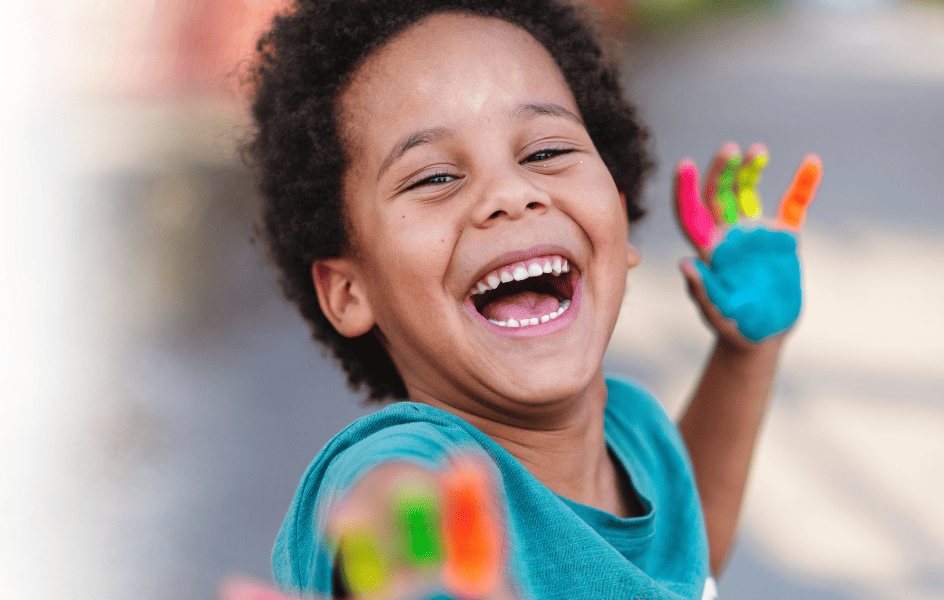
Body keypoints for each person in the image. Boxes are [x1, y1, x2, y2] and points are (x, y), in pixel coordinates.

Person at [225, 0, 822, 598]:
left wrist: (748, 355)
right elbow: (398, 516)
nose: (512, 192)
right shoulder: (407, 463)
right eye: (434, 177)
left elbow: (687, 558)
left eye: (545, 152)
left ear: (617, 211)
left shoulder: (636, 429)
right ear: (349, 292)